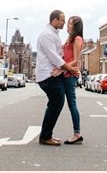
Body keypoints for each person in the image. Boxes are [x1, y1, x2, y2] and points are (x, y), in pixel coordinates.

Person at [36, 10, 79, 146]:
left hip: (53, 74)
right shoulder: (47, 35)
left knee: (55, 103)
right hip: (48, 75)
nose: (64, 23)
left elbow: (59, 54)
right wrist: (69, 68)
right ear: (55, 20)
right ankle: (45, 136)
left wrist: (64, 68)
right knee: (56, 102)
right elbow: (54, 57)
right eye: (62, 20)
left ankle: (46, 135)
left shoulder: (53, 33)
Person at [61, 15, 84, 144]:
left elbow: (76, 60)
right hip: (66, 73)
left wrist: (62, 69)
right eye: (68, 23)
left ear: (76, 27)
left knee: (72, 104)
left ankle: (77, 133)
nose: (67, 25)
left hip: (70, 74)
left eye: (70, 23)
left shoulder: (77, 39)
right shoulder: (70, 38)